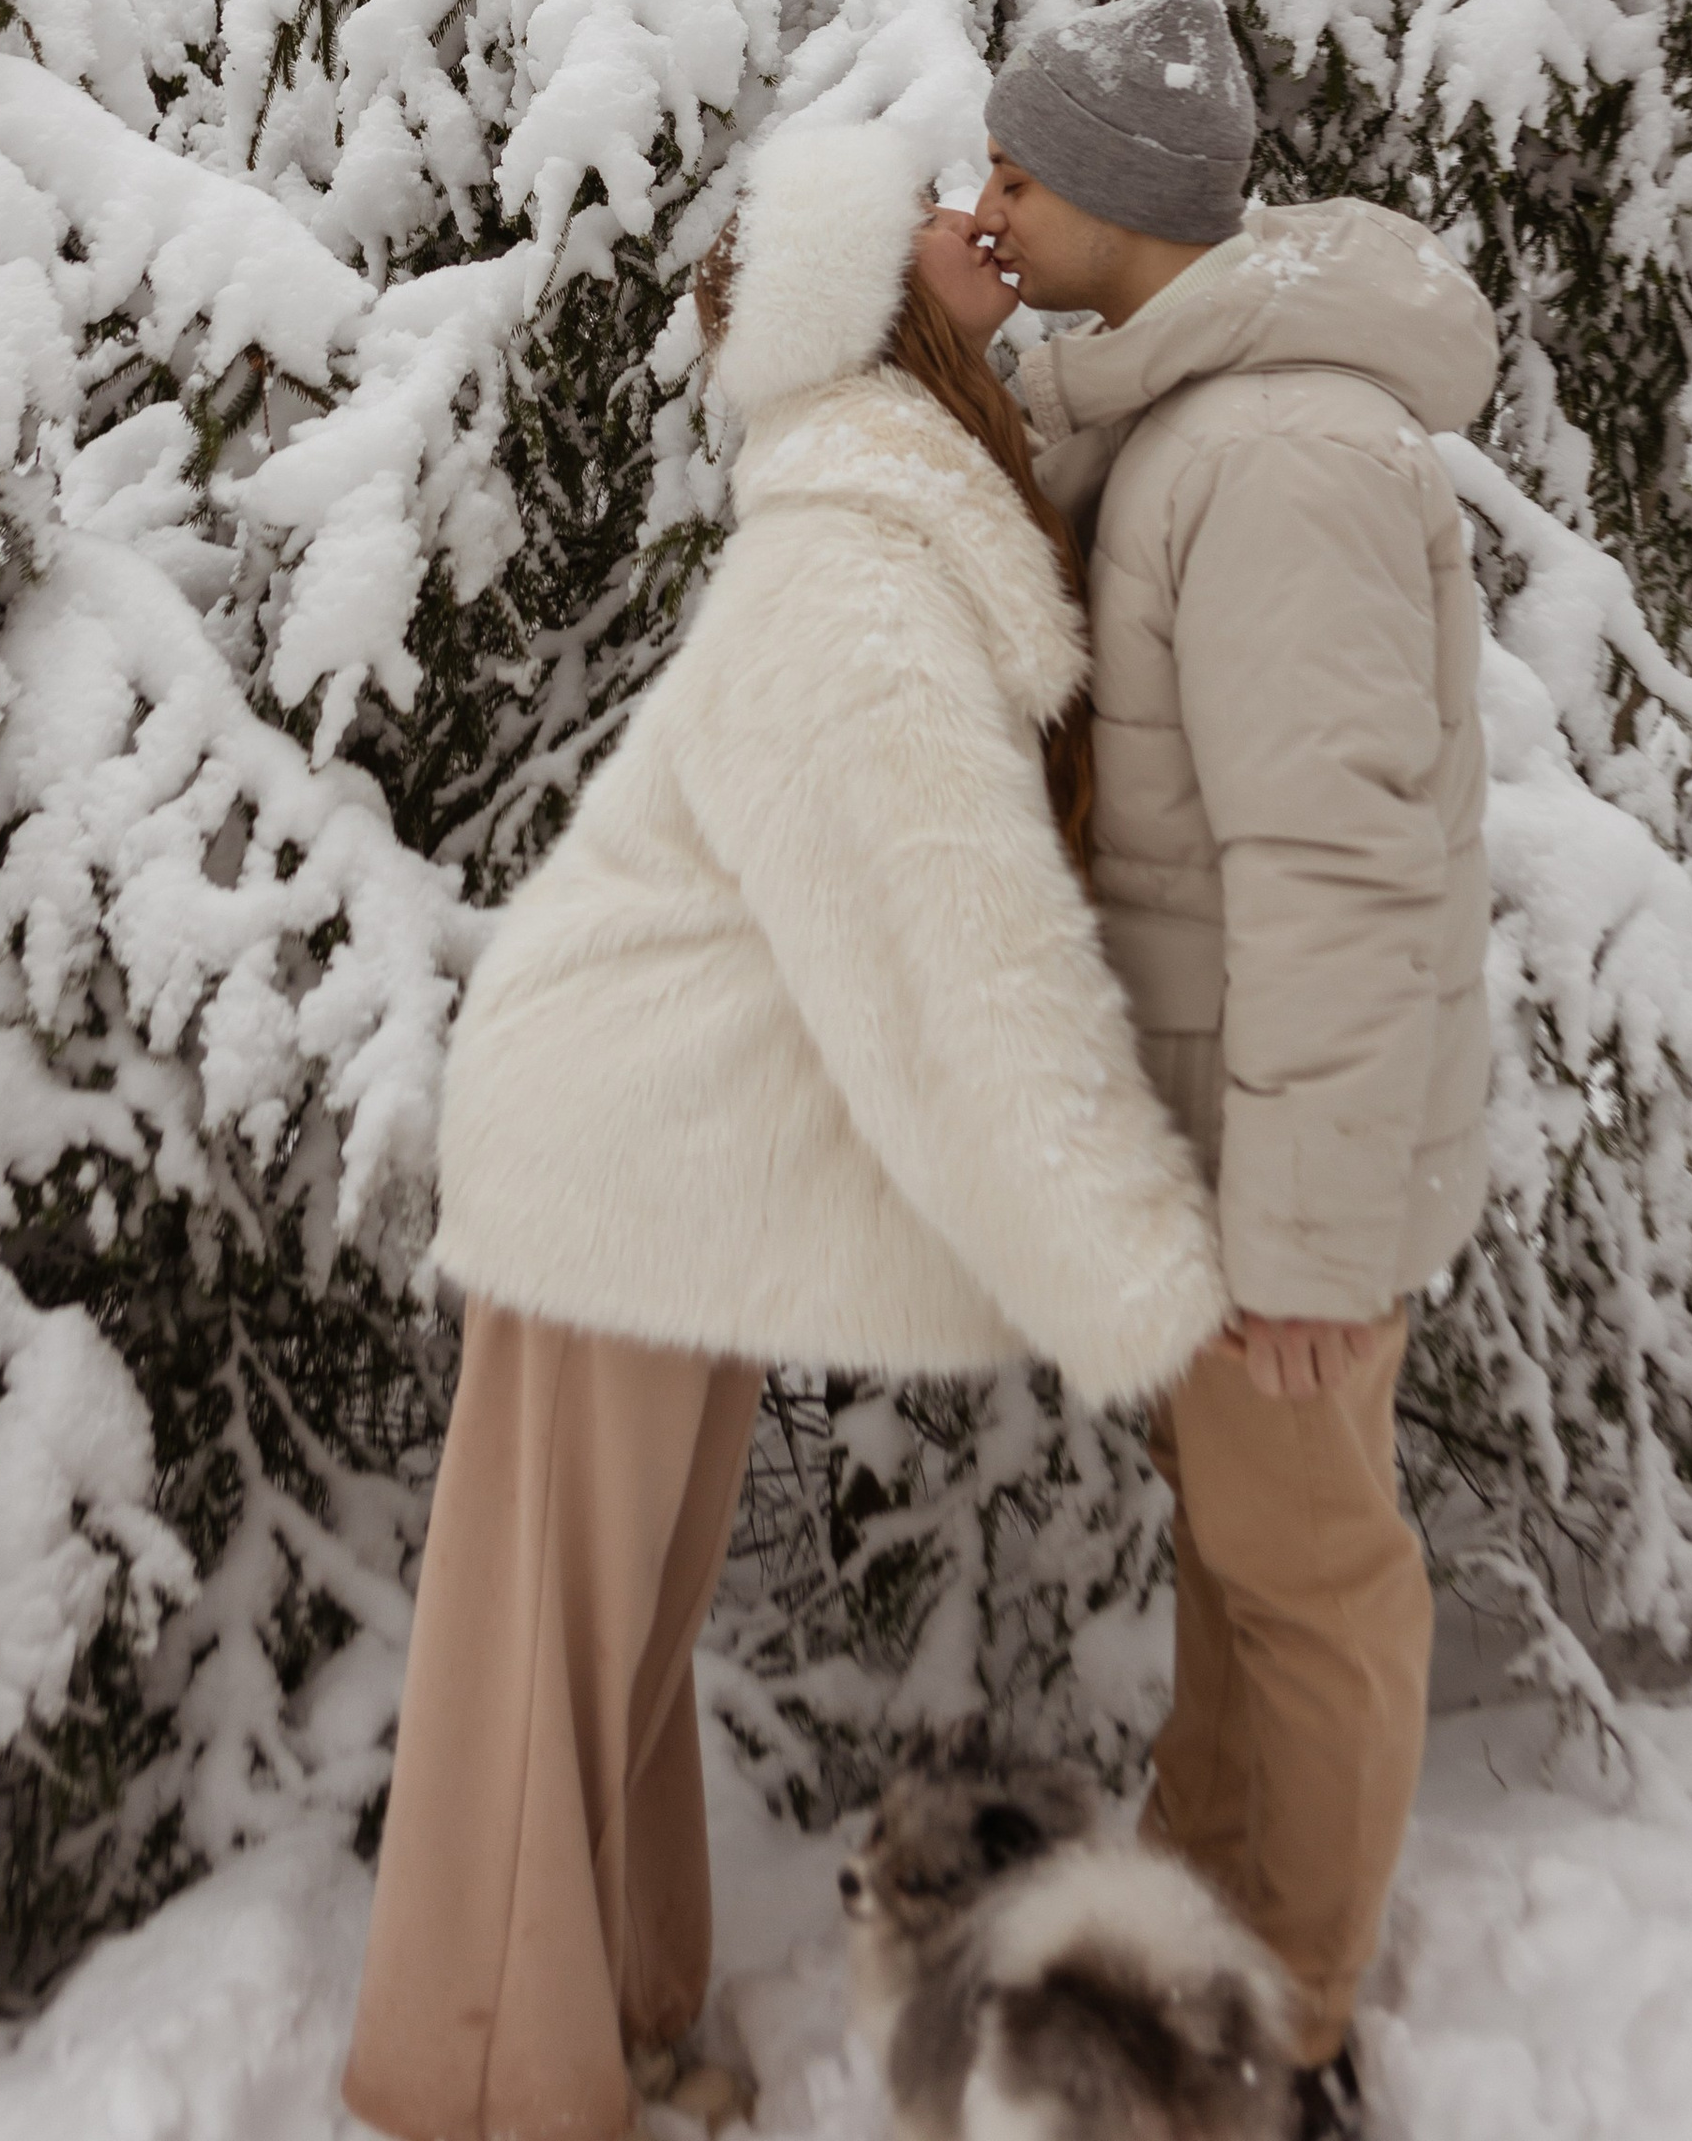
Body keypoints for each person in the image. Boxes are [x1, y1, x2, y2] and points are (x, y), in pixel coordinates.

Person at [342, 120, 1225, 2141]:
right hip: (611, 1147)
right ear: (867, 298)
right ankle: (478, 2079)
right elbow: (955, 969)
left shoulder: (899, 516)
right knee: (543, 1648)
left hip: (664, 1150)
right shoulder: (847, 567)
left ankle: (620, 2017)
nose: (966, 207)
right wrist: (1131, 1273)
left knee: (618, 1635)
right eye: (922, 195)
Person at [964, 0, 1498, 2141]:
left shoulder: (1273, 455)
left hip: (1280, 1167)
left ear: (1113, 198)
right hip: (1208, 1134)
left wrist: (1303, 1238)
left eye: (1015, 174)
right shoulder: (1189, 425)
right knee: (1238, 1552)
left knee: (1308, 1568)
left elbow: (1336, 878)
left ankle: (1281, 2021)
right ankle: (1201, 1912)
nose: (984, 207)